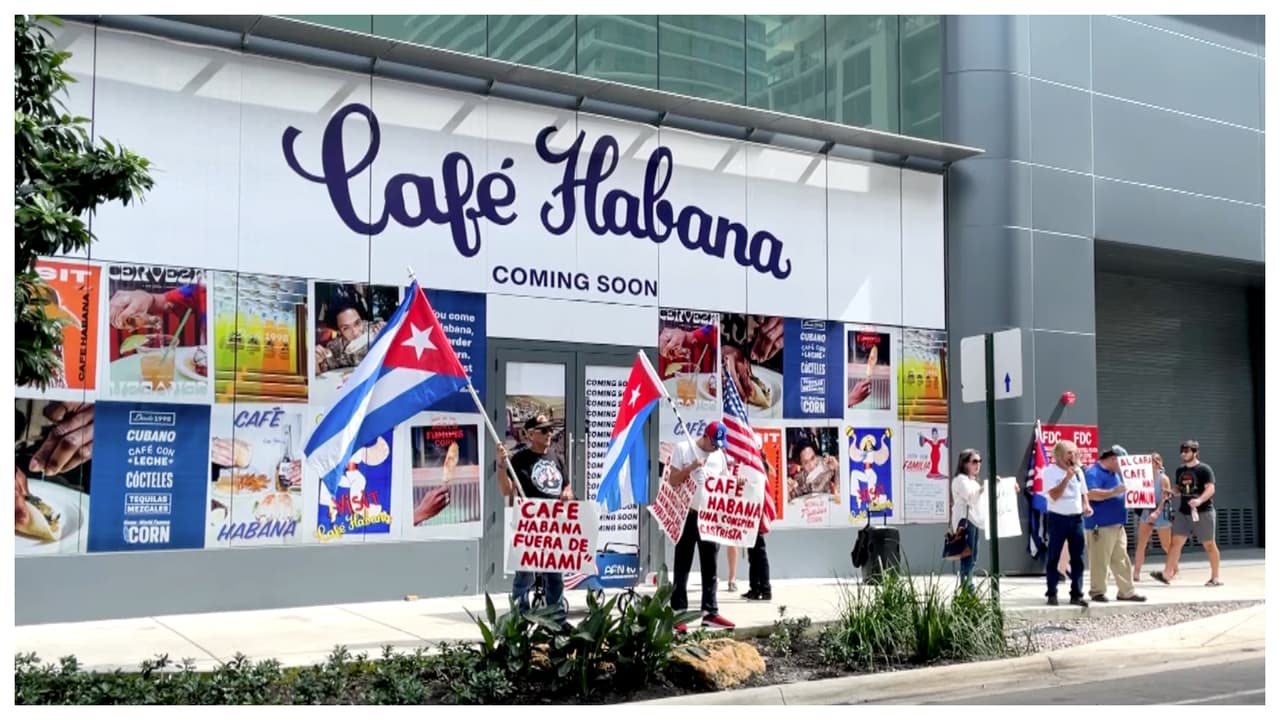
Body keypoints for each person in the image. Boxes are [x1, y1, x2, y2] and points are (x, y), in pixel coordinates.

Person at [496, 415, 574, 627]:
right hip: (529, 525)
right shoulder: (520, 460)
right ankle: (521, 617)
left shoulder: (556, 458)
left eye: (550, 430)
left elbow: (566, 486)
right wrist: (501, 467)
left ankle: (555, 617)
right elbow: (506, 490)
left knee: (555, 576)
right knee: (524, 576)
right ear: (530, 435)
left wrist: (567, 494)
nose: (549, 434)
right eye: (543, 431)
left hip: (553, 525)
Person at [667, 421, 735, 631]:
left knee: (710, 565)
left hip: (709, 516)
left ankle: (710, 612)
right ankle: (679, 613)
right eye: (714, 443)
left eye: (719, 445)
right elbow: (672, 480)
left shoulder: (719, 456)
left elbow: (723, 483)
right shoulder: (683, 448)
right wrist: (692, 467)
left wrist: (735, 483)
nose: (716, 447)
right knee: (683, 564)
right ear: (705, 436)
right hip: (688, 515)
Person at [1151, 440, 1221, 587]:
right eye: (1182, 451)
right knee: (1175, 543)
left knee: (1209, 544)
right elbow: (1179, 488)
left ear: (1195, 452)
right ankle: (1167, 574)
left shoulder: (1204, 469)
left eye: (1187, 451)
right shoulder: (1180, 470)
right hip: (1183, 512)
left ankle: (1215, 577)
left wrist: (1199, 500)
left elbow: (1210, 488)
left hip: (1202, 512)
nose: (1183, 453)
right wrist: (1171, 492)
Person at [1083, 446, 1146, 603]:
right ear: (1113, 459)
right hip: (1101, 525)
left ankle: (1126, 591)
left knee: (1121, 558)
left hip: (1117, 524)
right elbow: (1091, 494)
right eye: (1122, 462)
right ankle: (1097, 591)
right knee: (1100, 559)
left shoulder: (1114, 474)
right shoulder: (1093, 472)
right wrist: (1114, 492)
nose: (1124, 466)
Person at [1040, 440, 1093, 606]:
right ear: (1059, 455)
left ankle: (1076, 594)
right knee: (1054, 556)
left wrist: (1086, 504)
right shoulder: (1050, 472)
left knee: (1078, 558)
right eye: (1070, 453)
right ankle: (1052, 593)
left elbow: (1084, 491)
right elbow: (1054, 496)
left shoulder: (1078, 471)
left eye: (1075, 452)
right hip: (1058, 518)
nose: (1074, 456)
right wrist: (1066, 478)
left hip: (1076, 518)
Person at [1132, 452, 1173, 580]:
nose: (1151, 463)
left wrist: (1157, 512)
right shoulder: (1142, 478)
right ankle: (1136, 573)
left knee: (1166, 545)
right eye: (1149, 461)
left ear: (1158, 463)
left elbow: (1166, 497)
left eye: (1154, 461)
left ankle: (1174, 569)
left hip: (1160, 512)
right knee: (1141, 543)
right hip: (1146, 510)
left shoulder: (1163, 478)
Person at [315, 301, 386, 373]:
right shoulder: (335, 348)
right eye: (346, 328)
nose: (355, 332)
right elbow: (320, 376)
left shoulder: (375, 330)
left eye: (357, 323)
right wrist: (315, 361)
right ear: (339, 332)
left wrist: (388, 333)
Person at [950, 449, 985, 592]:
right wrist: (985, 488)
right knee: (967, 556)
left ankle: (968, 585)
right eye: (974, 461)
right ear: (965, 463)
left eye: (979, 461)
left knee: (973, 556)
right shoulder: (960, 480)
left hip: (975, 520)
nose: (978, 465)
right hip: (965, 521)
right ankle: (966, 588)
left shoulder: (973, 482)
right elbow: (971, 497)